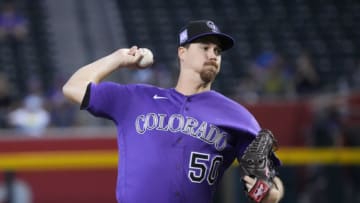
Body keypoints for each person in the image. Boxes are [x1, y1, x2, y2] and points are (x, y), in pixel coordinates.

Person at [63, 20, 284, 203]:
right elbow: (73, 88)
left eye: (217, 51)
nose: (213, 55)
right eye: (204, 47)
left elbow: (270, 182)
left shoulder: (237, 116)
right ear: (182, 52)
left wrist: (271, 195)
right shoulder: (136, 99)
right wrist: (119, 58)